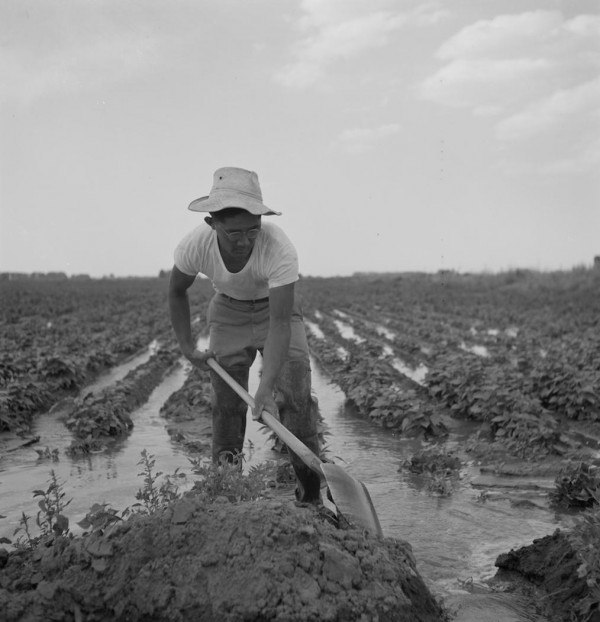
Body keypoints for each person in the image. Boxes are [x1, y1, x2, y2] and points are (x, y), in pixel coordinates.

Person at [168, 166, 321, 503]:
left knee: (295, 397)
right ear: (212, 224)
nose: (245, 241)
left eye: (253, 230)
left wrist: (266, 389)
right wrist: (187, 347)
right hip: (228, 310)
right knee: (226, 406)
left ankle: (311, 497)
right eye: (234, 233)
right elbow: (176, 292)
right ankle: (228, 496)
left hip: (274, 311)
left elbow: (280, 324)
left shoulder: (279, 247)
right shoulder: (196, 245)